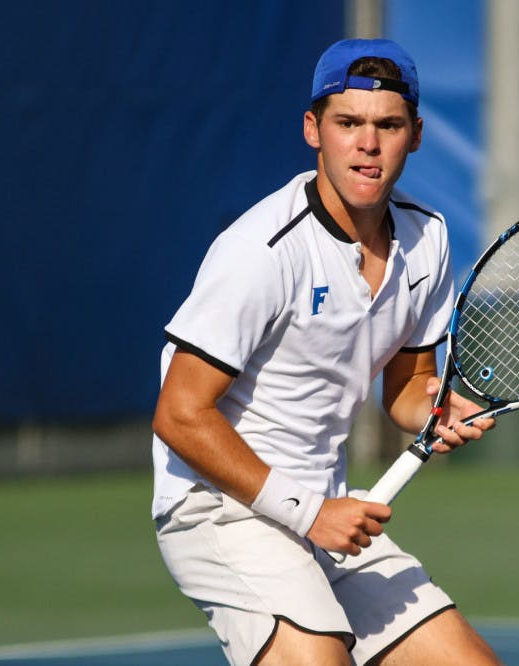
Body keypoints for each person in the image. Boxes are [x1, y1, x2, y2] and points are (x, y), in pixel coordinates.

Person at [151, 38, 501, 666]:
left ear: (415, 135)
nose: (368, 144)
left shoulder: (429, 239)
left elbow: (407, 386)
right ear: (314, 130)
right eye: (349, 124)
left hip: (329, 509)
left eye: (388, 125)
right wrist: (309, 512)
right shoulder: (262, 251)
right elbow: (178, 414)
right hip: (219, 509)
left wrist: (432, 409)